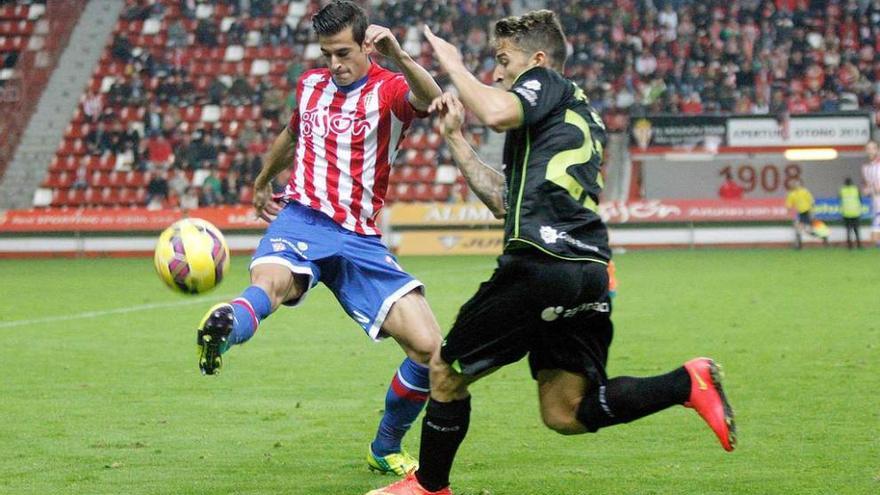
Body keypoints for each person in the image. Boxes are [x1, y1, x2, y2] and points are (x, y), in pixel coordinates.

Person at [368, 11, 736, 495]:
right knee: (566, 411)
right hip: (589, 270)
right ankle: (687, 383)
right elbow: (505, 198)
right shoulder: (568, 116)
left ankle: (429, 487)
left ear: (538, 60)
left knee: (444, 370)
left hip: (543, 264)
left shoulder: (547, 84)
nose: (497, 73)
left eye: (503, 61)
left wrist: (454, 65)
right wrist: (455, 140)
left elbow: (497, 111)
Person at [194, 1, 443, 477]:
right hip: (302, 219)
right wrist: (263, 180)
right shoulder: (310, 85)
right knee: (270, 284)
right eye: (327, 53)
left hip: (360, 240)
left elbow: (430, 101)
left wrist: (401, 56)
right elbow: (292, 133)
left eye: (344, 52)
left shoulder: (389, 89)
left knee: (431, 351)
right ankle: (225, 328)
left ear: (368, 44)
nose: (335, 64)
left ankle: (384, 447)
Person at [785, 179, 819, 249]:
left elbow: (812, 201)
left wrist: (812, 212)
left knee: (807, 230)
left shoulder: (805, 192)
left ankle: (821, 236)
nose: (796, 185)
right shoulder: (792, 194)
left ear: (800, 185)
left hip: (807, 212)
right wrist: (789, 212)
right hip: (800, 213)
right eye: (795, 184)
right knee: (797, 229)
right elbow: (789, 205)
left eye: (798, 184)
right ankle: (799, 245)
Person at [862, 140, 880, 247]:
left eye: (873, 148)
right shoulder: (866, 168)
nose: (871, 151)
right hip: (875, 203)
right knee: (874, 239)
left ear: (878, 150)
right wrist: (867, 190)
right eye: (868, 148)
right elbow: (868, 188)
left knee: (875, 237)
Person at [839, 177, 862, 249]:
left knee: (848, 230)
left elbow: (840, 200)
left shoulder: (842, 190)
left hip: (846, 213)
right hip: (855, 212)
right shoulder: (856, 189)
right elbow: (860, 199)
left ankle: (849, 246)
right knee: (856, 230)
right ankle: (858, 245)